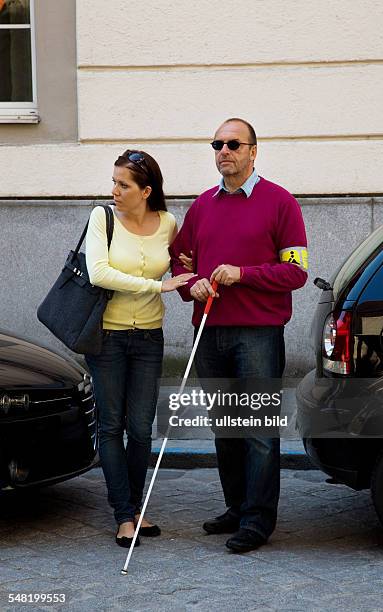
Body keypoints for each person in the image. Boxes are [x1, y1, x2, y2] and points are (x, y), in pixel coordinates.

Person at [170, 118, 308, 553]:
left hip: (259, 335)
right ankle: (237, 507)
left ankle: (257, 519)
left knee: (257, 430)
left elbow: (296, 271)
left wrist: (242, 274)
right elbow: (179, 261)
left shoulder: (280, 202)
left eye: (233, 144)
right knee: (225, 429)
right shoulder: (202, 206)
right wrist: (190, 281)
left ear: (253, 151)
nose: (224, 150)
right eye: (217, 144)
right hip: (208, 331)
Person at [85, 150, 194, 548]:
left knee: (142, 429)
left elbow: (180, 265)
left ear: (146, 191)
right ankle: (123, 514)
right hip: (108, 338)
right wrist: (156, 285)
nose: (114, 190)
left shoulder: (168, 223)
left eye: (123, 184)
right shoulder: (102, 218)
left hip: (149, 337)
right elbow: (99, 273)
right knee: (111, 426)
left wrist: (187, 269)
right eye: (114, 182)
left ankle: (134, 506)